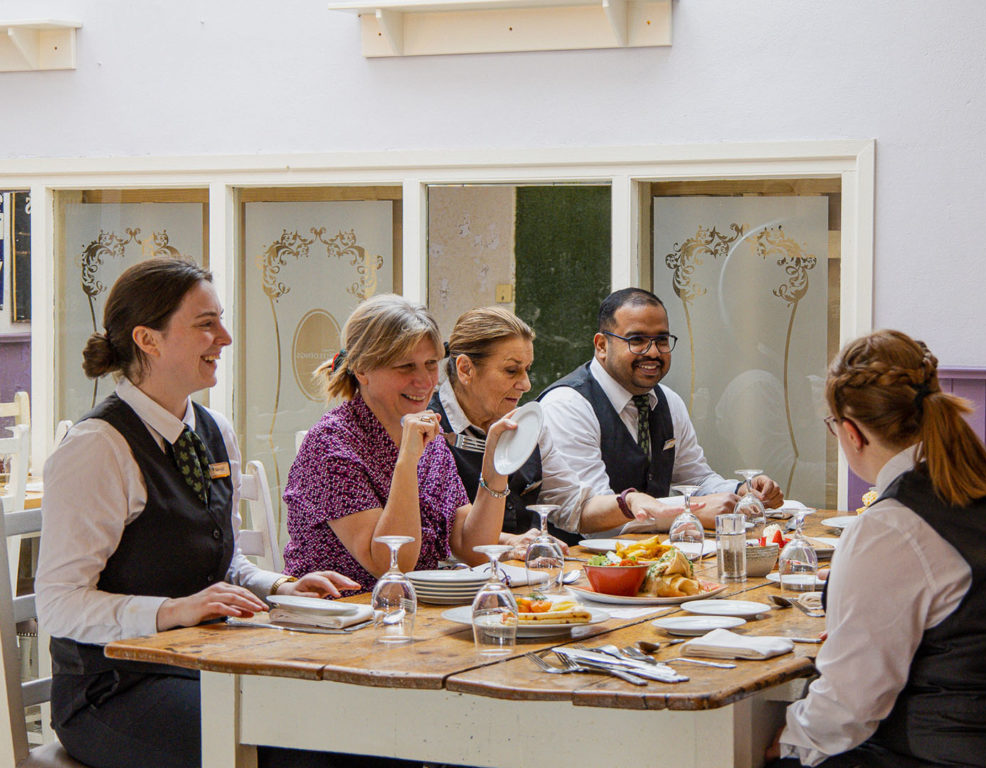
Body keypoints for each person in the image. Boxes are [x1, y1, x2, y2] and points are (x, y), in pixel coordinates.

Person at [35, 258, 399, 768]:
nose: (224, 337)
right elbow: (57, 604)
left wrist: (279, 586)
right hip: (113, 691)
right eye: (206, 324)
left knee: (368, 730)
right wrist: (170, 611)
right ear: (148, 339)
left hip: (205, 665)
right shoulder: (97, 448)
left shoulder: (213, 430)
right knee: (308, 751)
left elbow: (218, 564)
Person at [767, 330, 986, 767]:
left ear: (851, 432)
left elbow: (849, 709)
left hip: (944, 755)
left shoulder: (891, 527)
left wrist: (791, 737)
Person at [283, 295, 513, 593]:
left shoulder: (429, 440)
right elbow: (392, 563)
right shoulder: (331, 445)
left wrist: (497, 466)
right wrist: (406, 462)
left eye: (430, 364)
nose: (423, 380)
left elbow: (473, 548)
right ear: (362, 369)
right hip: (341, 615)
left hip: (413, 612)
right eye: (405, 366)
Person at [537, 287, 783, 536]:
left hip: (651, 559)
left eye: (661, 340)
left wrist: (740, 490)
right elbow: (590, 518)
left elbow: (696, 479)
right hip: (578, 566)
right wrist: (690, 513)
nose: (653, 352)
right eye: (637, 340)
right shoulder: (568, 405)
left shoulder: (668, 401)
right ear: (602, 345)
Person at [431, 306, 581, 544]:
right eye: (511, 371)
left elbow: (572, 503)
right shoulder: (429, 428)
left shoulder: (528, 424)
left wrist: (629, 503)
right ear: (465, 369)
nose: (526, 384)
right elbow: (436, 531)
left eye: (527, 370)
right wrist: (508, 542)